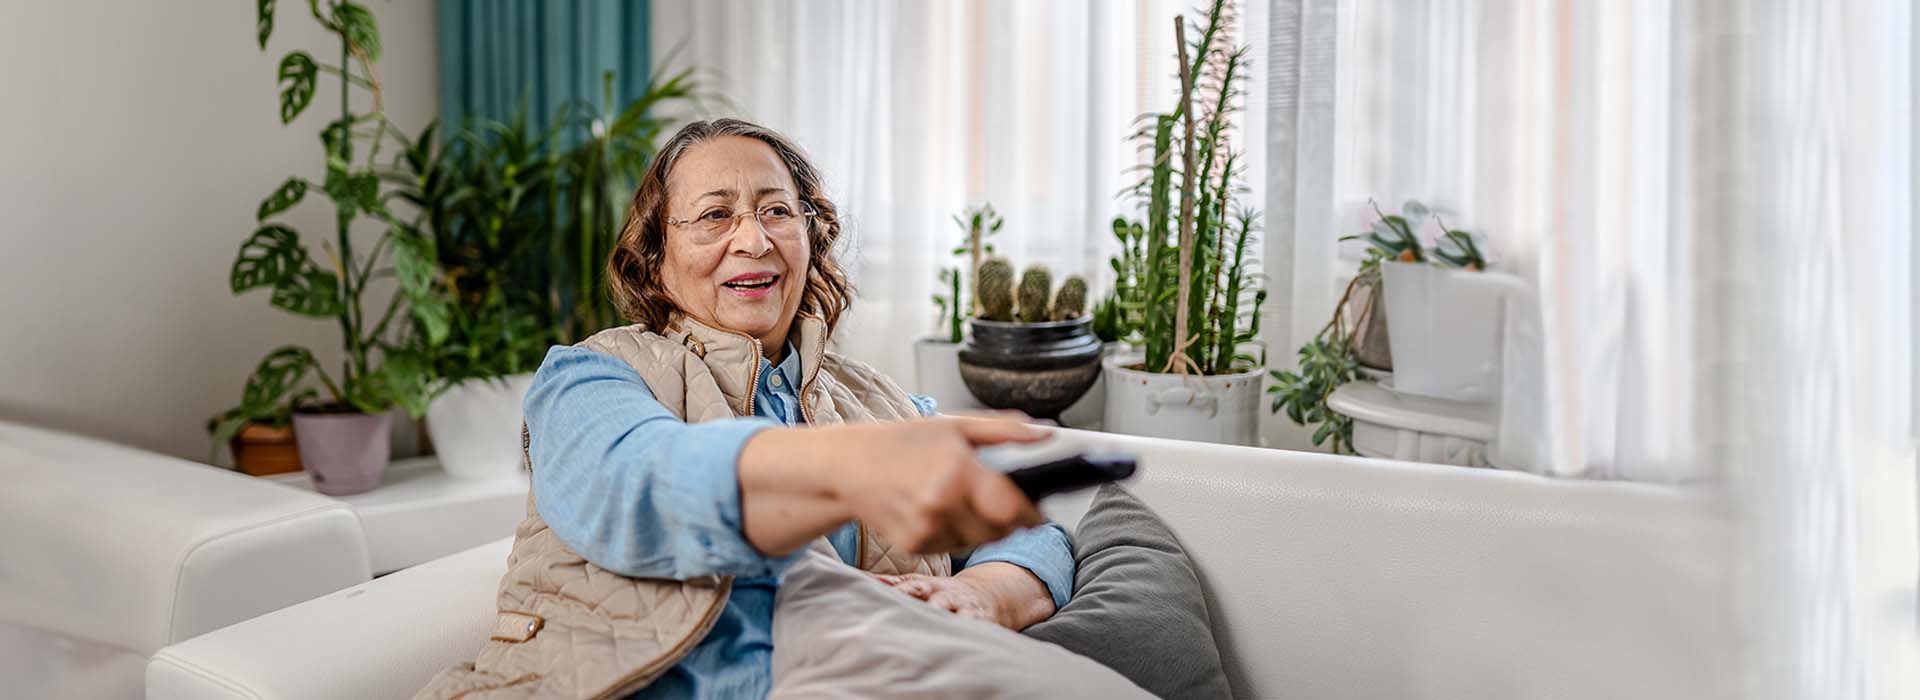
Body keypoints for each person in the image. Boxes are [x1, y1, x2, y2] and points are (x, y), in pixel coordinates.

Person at [415, 119, 1074, 700]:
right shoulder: (593, 375)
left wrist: (986, 594)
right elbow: (639, 484)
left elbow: (1029, 525)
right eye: (714, 216)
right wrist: (852, 468)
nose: (753, 241)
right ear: (654, 256)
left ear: (810, 237)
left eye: (777, 212)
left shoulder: (887, 404)